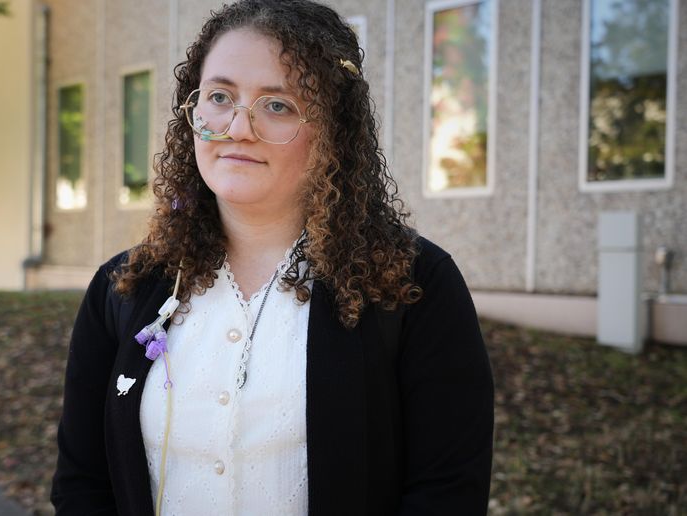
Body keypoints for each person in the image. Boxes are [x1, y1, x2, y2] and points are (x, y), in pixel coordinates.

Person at [50, 1, 494, 514]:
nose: (239, 127)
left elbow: (447, 493)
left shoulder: (414, 285)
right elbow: (82, 484)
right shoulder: (123, 287)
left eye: (277, 105)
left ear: (333, 131)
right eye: (220, 97)